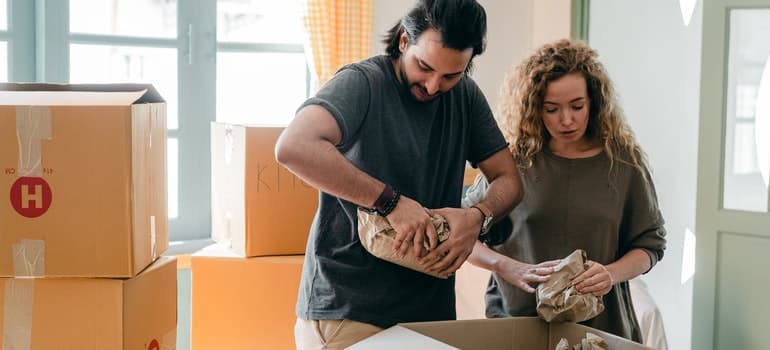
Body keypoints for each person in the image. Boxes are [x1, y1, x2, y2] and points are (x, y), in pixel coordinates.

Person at [274, 0, 522, 348]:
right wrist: (390, 202)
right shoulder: (362, 83)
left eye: (451, 75)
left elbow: (509, 180)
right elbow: (294, 147)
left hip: (431, 311)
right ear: (404, 41)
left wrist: (478, 216)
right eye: (425, 67)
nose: (434, 86)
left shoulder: (466, 96)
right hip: (350, 310)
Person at [463, 39, 667, 342]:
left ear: (594, 102)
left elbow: (650, 245)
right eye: (552, 109)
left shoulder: (624, 164)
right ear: (534, 108)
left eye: (577, 106)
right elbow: (462, 235)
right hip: (518, 325)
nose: (567, 119)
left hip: (599, 328)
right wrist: (507, 267)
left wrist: (610, 274)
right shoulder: (513, 163)